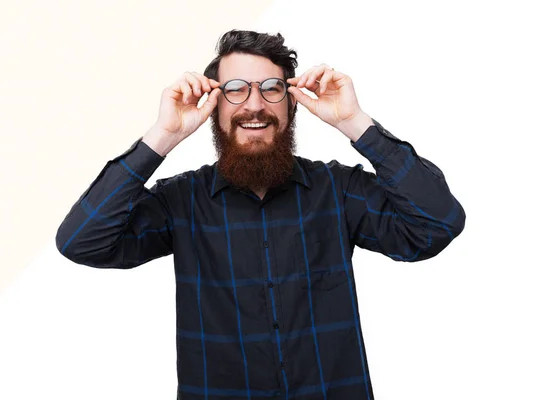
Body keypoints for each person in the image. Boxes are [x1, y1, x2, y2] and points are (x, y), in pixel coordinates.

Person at [55, 29, 465, 400]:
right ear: (214, 107)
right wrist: (162, 137)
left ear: (292, 105)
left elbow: (437, 223)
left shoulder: (336, 191)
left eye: (271, 89)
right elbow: (82, 241)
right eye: (235, 89)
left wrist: (356, 123)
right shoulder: (181, 201)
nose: (254, 106)